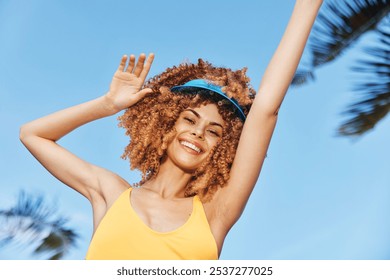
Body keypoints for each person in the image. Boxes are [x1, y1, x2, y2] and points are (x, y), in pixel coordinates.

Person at [19, 0, 323, 260]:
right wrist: (108, 104)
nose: (198, 134)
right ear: (165, 124)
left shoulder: (215, 212)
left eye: (214, 131)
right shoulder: (111, 193)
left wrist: (307, 6)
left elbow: (267, 108)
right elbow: (33, 135)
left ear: (225, 148)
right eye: (189, 120)